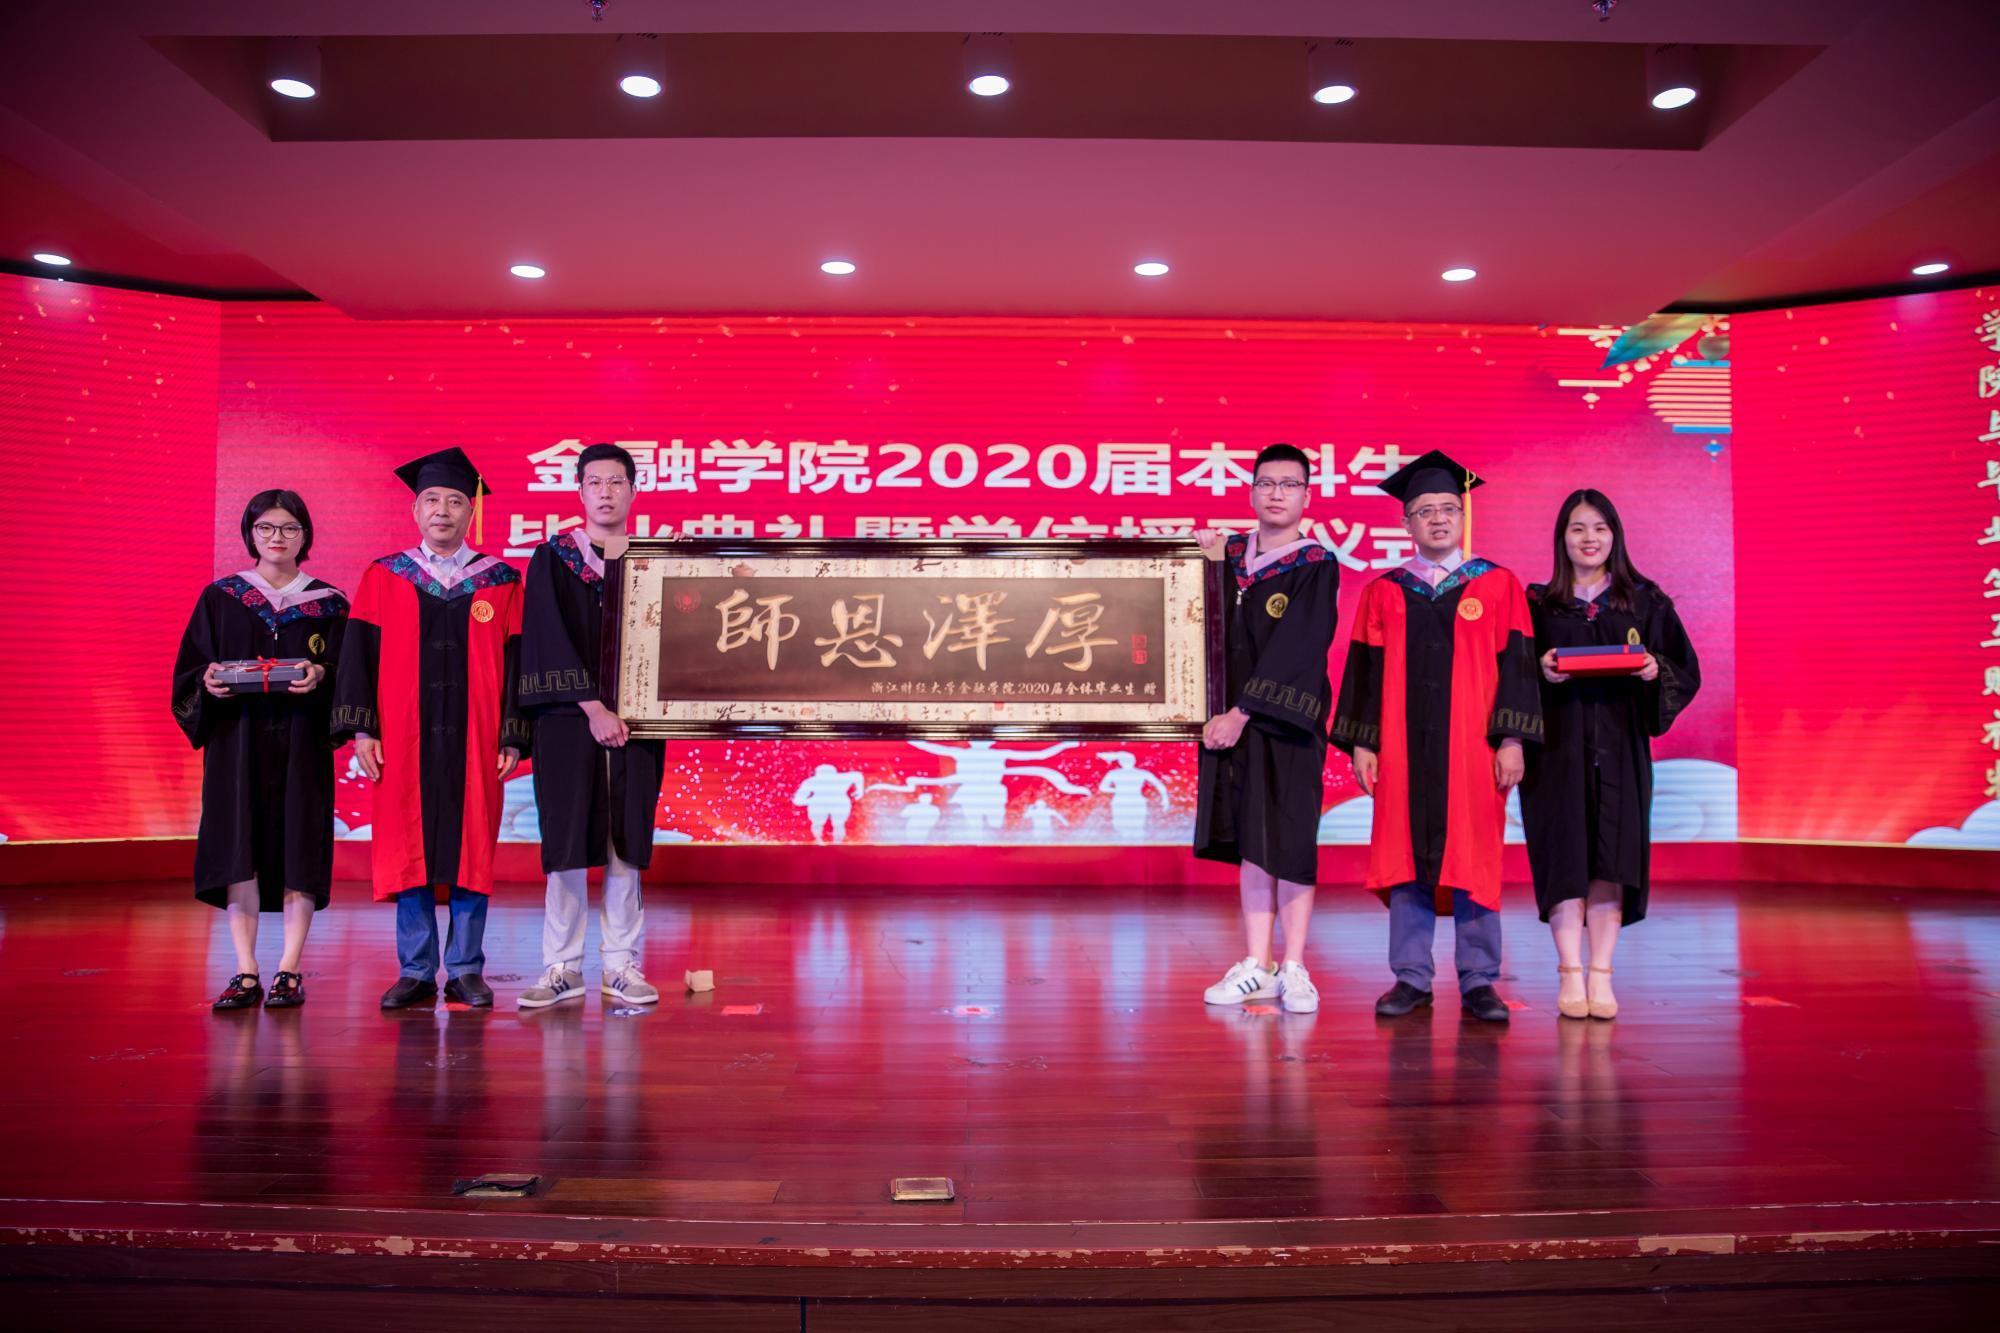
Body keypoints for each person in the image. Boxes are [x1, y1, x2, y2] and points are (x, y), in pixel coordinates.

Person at [1330, 449, 1541, 1023]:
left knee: (1474, 855)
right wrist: (1363, 742)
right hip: (1400, 748)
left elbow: (1518, 667)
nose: (1439, 519)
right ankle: (1411, 977)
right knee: (1404, 854)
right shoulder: (1385, 590)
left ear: (1462, 516)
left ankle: (1479, 980)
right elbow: (1364, 671)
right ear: (1407, 523)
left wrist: (1513, 740)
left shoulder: (1498, 585)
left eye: (1449, 508)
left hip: (1473, 747)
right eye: (1425, 511)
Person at [331, 447, 528, 1010]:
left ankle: (466, 968)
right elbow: (358, 658)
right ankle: (416, 970)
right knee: (407, 843)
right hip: (402, 735)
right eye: (432, 500)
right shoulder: (384, 576)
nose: (443, 510)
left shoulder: (500, 581)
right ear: (415, 511)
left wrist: (512, 733)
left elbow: (517, 663)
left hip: (477, 735)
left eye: (456, 501)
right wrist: (362, 730)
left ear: (472, 512)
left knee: (472, 847)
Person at [1520, 489, 1700, 1020]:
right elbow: (1507, 673)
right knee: (1565, 857)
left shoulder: (1644, 600)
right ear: (1562, 538)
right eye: (1577, 528)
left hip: (1620, 748)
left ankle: (1601, 973)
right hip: (1557, 752)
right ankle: (1569, 972)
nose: (1589, 538)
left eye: (1600, 528)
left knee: (1611, 858)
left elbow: (1684, 669)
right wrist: (1540, 669)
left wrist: (1655, 670)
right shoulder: (1539, 604)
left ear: (1615, 536)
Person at [172, 490, 347, 1010]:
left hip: (302, 740)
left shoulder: (329, 603)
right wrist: (207, 682)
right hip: (237, 739)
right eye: (266, 527)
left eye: (289, 528)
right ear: (250, 534)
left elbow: (349, 672)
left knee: (299, 845)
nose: (277, 537)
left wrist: (321, 673)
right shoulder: (221, 597)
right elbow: (191, 670)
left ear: (305, 535)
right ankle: (245, 970)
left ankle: (289, 969)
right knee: (239, 845)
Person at [514, 443, 669, 1011]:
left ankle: (622, 964)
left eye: (616, 482)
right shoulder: (553, 558)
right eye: (595, 482)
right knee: (567, 843)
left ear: (634, 490)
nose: (606, 492)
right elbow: (546, 637)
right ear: (579, 491)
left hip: (638, 721)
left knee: (625, 841)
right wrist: (593, 708)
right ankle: (562, 966)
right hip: (567, 719)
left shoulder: (655, 559)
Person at [1194, 442, 1341, 1015]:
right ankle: (1257, 963)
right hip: (1232, 723)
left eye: (1289, 484)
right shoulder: (1229, 554)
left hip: (1288, 720)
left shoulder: (1315, 563)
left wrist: (1243, 712)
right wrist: (1202, 564)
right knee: (1253, 842)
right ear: (1252, 491)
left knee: (1291, 840)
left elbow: (1299, 648)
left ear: (1306, 496)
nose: (1276, 493)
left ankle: (1295, 966)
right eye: (1266, 483)